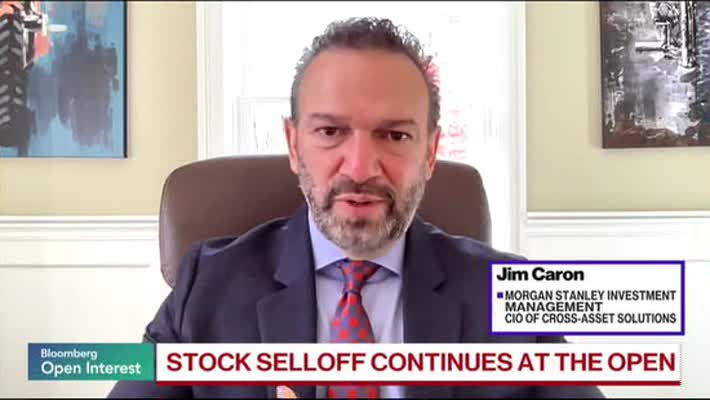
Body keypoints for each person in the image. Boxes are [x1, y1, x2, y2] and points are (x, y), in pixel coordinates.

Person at [109, 17, 603, 399]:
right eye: (330, 131)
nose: (362, 167)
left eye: (395, 135)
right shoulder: (206, 289)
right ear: (294, 145)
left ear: (431, 152)